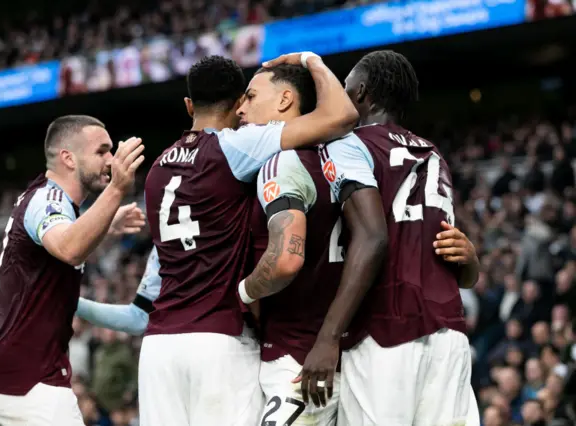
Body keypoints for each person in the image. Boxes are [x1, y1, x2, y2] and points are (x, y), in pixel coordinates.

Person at [140, 53, 357, 426]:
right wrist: (311, 61)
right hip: (218, 335)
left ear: (189, 105)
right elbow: (340, 116)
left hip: (158, 346)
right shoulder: (237, 146)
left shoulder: (156, 170)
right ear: (240, 101)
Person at [307, 50, 481, 425]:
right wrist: (473, 264)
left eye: (345, 86)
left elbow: (373, 240)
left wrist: (327, 337)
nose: (340, 92)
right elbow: (452, 261)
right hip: (447, 329)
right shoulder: (433, 154)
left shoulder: (348, 145)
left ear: (362, 93)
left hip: (384, 329)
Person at [0, 115, 146, 425]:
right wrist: (117, 189)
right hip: (26, 379)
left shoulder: (51, 199)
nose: (110, 160)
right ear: (68, 158)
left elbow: (57, 244)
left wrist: (107, 222)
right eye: (101, 151)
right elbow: (68, 248)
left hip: (11, 371)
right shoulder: (48, 199)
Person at [236, 63, 349, 425]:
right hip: (354, 358)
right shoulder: (347, 161)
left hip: (295, 361)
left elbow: (285, 260)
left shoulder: (281, 162)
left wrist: (243, 292)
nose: (240, 109)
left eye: (251, 97)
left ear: (286, 100)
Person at [75, 245, 161, 335]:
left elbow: (139, 318)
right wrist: (71, 301)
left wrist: (70, 301)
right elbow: (140, 316)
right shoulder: (161, 247)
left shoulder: (166, 245)